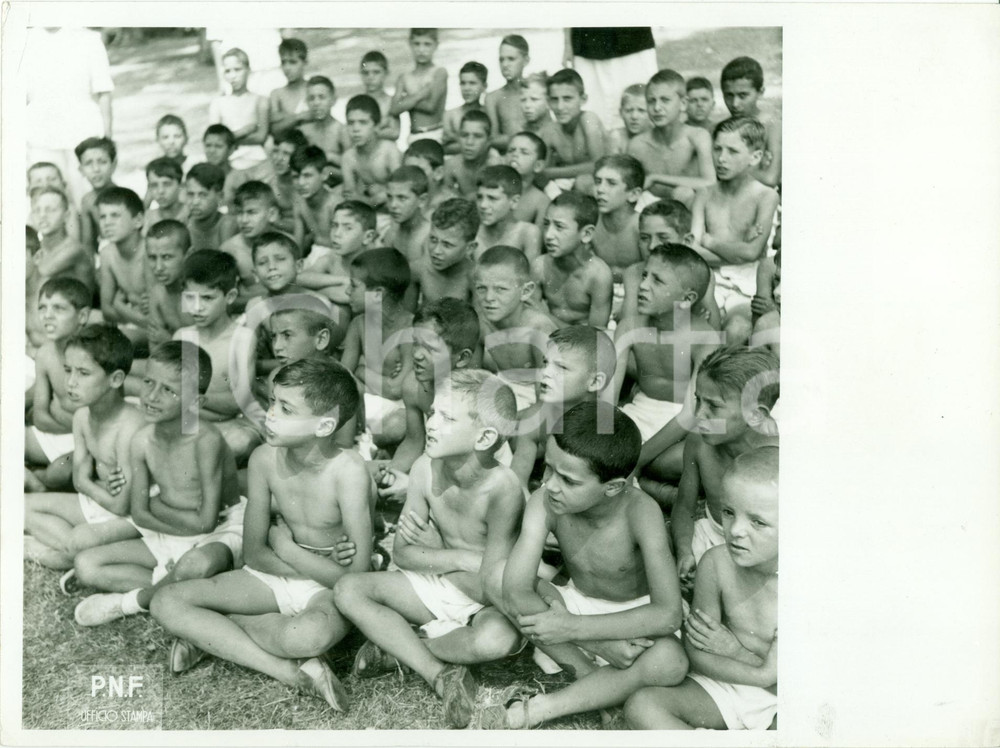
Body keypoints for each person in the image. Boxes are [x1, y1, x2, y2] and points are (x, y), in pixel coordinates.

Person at [150, 358, 373, 712]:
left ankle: (214, 631)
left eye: (286, 408)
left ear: (324, 424)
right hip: (275, 573)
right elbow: (254, 552)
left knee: (308, 636)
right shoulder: (263, 459)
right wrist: (307, 560)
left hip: (326, 589)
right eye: (271, 401)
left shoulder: (350, 472)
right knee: (166, 602)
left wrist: (287, 548)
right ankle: (288, 672)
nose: (270, 414)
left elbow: (355, 579)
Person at [334, 369, 524, 729]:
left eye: (447, 418)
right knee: (348, 589)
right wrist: (461, 558)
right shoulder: (424, 469)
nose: (432, 424)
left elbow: (491, 582)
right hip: (437, 583)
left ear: (484, 437)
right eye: (433, 413)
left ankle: (397, 649)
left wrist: (437, 551)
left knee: (496, 640)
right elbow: (404, 553)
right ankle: (437, 673)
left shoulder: (504, 488)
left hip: (483, 601)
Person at [483, 401, 687, 728]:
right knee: (495, 576)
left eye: (568, 480)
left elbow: (668, 613)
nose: (550, 485)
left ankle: (543, 708)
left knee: (672, 661)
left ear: (613, 487)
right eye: (548, 469)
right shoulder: (545, 502)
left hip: (631, 621)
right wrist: (595, 642)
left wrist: (573, 629)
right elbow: (514, 588)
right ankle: (593, 680)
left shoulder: (640, 511)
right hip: (574, 611)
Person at [72, 341, 246, 626]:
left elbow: (206, 523)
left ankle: (128, 602)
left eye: (168, 390)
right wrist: (158, 513)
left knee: (197, 564)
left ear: (195, 403)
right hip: (173, 531)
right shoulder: (142, 440)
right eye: (149, 382)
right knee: (86, 565)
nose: (152, 396)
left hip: (221, 532)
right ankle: (181, 587)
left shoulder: (207, 441)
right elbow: (139, 513)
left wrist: (156, 506)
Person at [626, 446, 778, 730]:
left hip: (786, 699)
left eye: (757, 522)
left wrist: (737, 652)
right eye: (729, 512)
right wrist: (761, 675)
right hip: (733, 682)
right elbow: (697, 652)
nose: (735, 530)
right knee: (642, 706)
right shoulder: (717, 563)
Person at [24, 324, 144, 570]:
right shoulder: (81, 417)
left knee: (79, 541)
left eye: (83, 373)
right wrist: (96, 486)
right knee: (15, 505)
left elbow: (123, 505)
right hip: (102, 502)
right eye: (68, 370)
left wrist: (89, 485)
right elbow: (79, 479)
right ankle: (62, 550)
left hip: (134, 518)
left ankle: (54, 551)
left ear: (116, 379)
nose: (70, 382)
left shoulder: (130, 426)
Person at [612, 245, 721, 492]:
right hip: (638, 413)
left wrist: (637, 460)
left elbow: (691, 412)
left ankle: (647, 483)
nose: (643, 285)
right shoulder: (629, 327)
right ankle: (654, 489)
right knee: (599, 445)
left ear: (687, 299)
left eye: (657, 281)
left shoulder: (705, 338)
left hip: (682, 424)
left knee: (681, 460)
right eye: (644, 275)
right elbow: (608, 396)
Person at [670, 347, 779, 594]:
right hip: (709, 536)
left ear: (755, 416)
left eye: (714, 407)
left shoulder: (782, 458)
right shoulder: (698, 443)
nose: (699, 415)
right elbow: (685, 507)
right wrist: (684, 551)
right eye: (698, 400)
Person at [375, 298, 481, 501]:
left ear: (462, 358)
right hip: (438, 458)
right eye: (416, 343)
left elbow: (468, 469)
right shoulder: (413, 385)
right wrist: (393, 474)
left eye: (430, 349)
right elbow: (414, 440)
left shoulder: (469, 399)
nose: (417, 355)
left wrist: (415, 486)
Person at [690, 117, 780, 345]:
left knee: (738, 329)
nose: (721, 158)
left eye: (732, 151)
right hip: (707, 279)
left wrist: (709, 243)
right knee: (698, 328)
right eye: (717, 149)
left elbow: (752, 254)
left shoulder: (765, 196)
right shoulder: (704, 194)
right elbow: (691, 250)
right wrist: (738, 250)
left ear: (756, 157)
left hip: (746, 284)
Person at [173, 250, 261, 464]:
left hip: (233, 424)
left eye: (207, 298)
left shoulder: (242, 338)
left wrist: (187, 396)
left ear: (229, 297)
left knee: (240, 442)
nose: (197, 307)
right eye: (190, 298)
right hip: (192, 422)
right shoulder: (183, 336)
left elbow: (237, 402)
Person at [508, 325, 615, 485]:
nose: (545, 373)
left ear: (594, 382)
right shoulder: (538, 417)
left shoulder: (605, 428)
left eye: (562, 367)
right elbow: (517, 481)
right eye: (545, 363)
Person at [24, 26, 114, 205]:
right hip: (39, 133)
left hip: (82, 131)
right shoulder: (24, 39)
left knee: (85, 196)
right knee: (46, 196)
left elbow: (104, 91)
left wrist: (107, 137)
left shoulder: (89, 39)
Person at [24, 279, 94, 494]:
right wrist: (69, 421)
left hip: (89, 441)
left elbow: (98, 423)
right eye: (42, 308)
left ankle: (39, 479)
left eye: (58, 308)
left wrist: (62, 417)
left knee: (60, 472)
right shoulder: (45, 353)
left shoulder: (96, 354)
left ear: (82, 316)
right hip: (57, 432)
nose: (47, 315)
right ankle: (30, 479)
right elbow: (41, 418)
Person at [341, 248, 414, 447]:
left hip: (399, 411)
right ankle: (359, 444)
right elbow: (343, 376)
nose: (347, 291)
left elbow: (396, 389)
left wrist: (361, 370)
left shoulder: (411, 327)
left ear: (378, 293)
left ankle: (366, 446)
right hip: (366, 405)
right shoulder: (358, 324)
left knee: (397, 425)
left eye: (354, 286)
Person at [475, 245, 557, 411]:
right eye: (481, 288)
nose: (489, 298)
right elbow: (473, 378)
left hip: (543, 395)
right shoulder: (481, 324)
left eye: (501, 289)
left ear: (525, 291)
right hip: (503, 391)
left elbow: (548, 400)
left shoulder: (538, 327)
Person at [628, 69, 715, 209]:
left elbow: (710, 183)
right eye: (651, 101)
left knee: (683, 192)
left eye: (665, 100)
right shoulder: (637, 144)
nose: (657, 108)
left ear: (683, 104)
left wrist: (655, 177)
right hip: (651, 211)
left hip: (689, 209)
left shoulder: (697, 136)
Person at [530, 191, 612, 328]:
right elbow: (530, 319)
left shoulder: (599, 276)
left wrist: (545, 316)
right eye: (546, 224)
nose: (549, 235)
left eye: (559, 227)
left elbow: (596, 336)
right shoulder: (539, 266)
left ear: (586, 234)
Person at [561, 27, 658, 130]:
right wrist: (567, 44)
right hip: (587, 41)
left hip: (632, 38)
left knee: (640, 104)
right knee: (590, 113)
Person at [97, 187, 150, 347]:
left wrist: (120, 306)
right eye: (102, 216)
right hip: (131, 322)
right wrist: (131, 314)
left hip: (156, 330)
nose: (107, 223)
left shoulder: (151, 252)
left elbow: (155, 320)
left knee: (108, 344)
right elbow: (106, 310)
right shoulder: (107, 253)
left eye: (115, 215)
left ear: (138, 220)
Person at [541, 69, 607, 196]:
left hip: (600, 183)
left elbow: (599, 165)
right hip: (570, 185)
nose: (560, 107)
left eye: (567, 99)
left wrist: (552, 172)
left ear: (583, 99)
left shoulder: (588, 119)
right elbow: (541, 170)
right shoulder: (551, 130)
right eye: (555, 100)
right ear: (548, 102)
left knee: (583, 182)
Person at [720, 57, 781, 188]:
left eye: (743, 96)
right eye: (729, 95)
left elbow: (771, 179)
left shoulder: (772, 125)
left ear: (760, 92)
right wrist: (751, 168)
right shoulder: (724, 127)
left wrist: (730, 167)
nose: (735, 104)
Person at [209, 48, 269, 170]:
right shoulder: (218, 103)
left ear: (248, 70)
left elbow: (261, 136)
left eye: (237, 70)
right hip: (228, 161)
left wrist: (229, 141)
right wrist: (245, 131)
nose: (232, 76)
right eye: (228, 71)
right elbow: (214, 139)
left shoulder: (260, 100)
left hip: (256, 159)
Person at [221, 180, 280, 301]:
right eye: (239, 213)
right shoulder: (230, 250)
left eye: (251, 212)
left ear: (272, 214)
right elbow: (225, 301)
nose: (244, 220)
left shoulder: (286, 243)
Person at [412, 198, 479, 304]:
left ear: (470, 248)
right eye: (433, 239)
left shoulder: (475, 278)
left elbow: (481, 320)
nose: (436, 251)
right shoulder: (418, 269)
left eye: (447, 245)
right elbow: (406, 317)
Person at [341, 94, 402, 209]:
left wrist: (368, 199)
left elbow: (400, 191)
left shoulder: (389, 151)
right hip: (369, 211)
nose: (355, 129)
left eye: (363, 122)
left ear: (376, 126)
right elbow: (350, 197)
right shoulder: (348, 157)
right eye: (351, 123)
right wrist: (374, 200)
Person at [29, 187, 95, 293]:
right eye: (37, 211)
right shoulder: (38, 248)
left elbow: (34, 275)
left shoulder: (74, 249)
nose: (42, 216)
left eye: (50, 210)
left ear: (66, 216)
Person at [390, 29, 448, 144]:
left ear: (436, 45)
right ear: (410, 44)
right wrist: (420, 94)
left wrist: (406, 101)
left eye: (427, 44)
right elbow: (394, 109)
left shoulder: (439, 73)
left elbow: (431, 106)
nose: (421, 50)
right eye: (417, 44)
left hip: (435, 134)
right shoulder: (404, 77)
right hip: (412, 135)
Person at [592, 154, 645, 280]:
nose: (600, 189)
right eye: (598, 182)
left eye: (611, 183)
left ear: (633, 194)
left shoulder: (641, 226)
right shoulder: (590, 222)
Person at [473, 165, 541, 262]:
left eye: (492, 198)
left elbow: (532, 275)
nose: (483, 205)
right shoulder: (474, 233)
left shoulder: (527, 232)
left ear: (514, 201)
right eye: (479, 197)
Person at [145, 220, 194, 347]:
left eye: (166, 257)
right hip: (176, 361)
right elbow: (155, 351)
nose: (158, 267)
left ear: (188, 254)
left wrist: (169, 340)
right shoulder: (157, 294)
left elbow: (200, 354)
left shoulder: (197, 293)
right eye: (152, 258)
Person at [484, 35, 530, 153]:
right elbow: (492, 139)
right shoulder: (493, 98)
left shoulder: (537, 91)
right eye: (501, 59)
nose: (505, 65)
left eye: (511, 59)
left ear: (526, 60)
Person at [443, 110, 502, 200]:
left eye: (477, 136)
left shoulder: (497, 166)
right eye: (464, 135)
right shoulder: (451, 165)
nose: (469, 142)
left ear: (489, 141)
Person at [291, 146, 340, 253]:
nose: (301, 183)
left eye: (307, 175)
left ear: (324, 174)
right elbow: (297, 245)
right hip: (316, 254)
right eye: (296, 176)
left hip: (337, 255)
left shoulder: (335, 205)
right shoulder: (299, 202)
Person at [74, 136, 118, 254]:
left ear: (113, 165)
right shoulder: (87, 201)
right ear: (81, 170)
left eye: (102, 162)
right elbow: (87, 243)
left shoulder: (124, 197)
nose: (96, 169)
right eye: (88, 163)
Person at [300, 76, 348, 180]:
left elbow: (355, 168)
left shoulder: (341, 130)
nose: (316, 103)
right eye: (311, 98)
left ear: (333, 100)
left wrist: (331, 158)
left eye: (321, 97)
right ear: (307, 102)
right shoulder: (304, 131)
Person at [383, 166, 432, 267]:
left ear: (422, 200)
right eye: (389, 197)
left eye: (401, 198)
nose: (393, 205)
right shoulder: (391, 235)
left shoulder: (429, 237)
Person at [185, 163, 238, 251]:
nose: (195, 202)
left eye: (203, 195)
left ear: (220, 197)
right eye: (191, 194)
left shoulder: (227, 225)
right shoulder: (184, 225)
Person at [505, 132, 550, 231]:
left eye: (524, 152)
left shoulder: (541, 200)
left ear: (538, 166)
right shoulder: (492, 189)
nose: (515, 155)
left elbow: (538, 238)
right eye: (511, 150)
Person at [268, 38, 310, 139]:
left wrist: (284, 117)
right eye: (283, 62)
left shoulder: (313, 89)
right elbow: (275, 131)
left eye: (293, 62)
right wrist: (300, 116)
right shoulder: (277, 94)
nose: (287, 68)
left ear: (305, 63)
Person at [443, 61, 488, 155]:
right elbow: (446, 148)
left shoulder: (487, 113)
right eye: (463, 83)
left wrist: (457, 139)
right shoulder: (450, 114)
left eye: (472, 83)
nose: (466, 88)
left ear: (484, 86)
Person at [404, 139, 456, 217]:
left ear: (438, 173)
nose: (411, 176)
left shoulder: (452, 207)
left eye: (419, 171)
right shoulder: (405, 201)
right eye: (407, 170)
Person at [359, 51, 402, 142]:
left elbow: (395, 132)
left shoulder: (390, 102)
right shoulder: (358, 101)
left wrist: (370, 132)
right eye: (366, 73)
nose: (370, 77)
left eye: (376, 72)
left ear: (386, 73)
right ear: (360, 74)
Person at [143, 158, 189, 235]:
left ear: (180, 186)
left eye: (167, 184)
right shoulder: (147, 219)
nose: (160, 191)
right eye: (154, 185)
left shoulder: (191, 214)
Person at [608, 84, 652, 155]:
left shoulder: (658, 136)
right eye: (629, 110)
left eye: (641, 110)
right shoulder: (617, 137)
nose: (634, 116)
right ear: (621, 112)